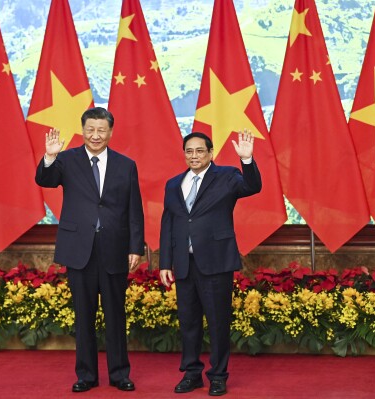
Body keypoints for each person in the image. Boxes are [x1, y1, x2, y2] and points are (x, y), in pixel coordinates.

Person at [35, 107, 144, 393]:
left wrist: (136, 247)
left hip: (114, 248)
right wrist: (49, 156)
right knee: (84, 316)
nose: (96, 135)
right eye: (90, 129)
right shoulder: (66, 160)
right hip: (79, 249)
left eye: (101, 130)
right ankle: (86, 375)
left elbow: (135, 210)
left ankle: (120, 374)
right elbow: (44, 180)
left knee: (115, 314)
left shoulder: (125, 165)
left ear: (110, 132)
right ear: (82, 130)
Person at [159, 130, 261, 396]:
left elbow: (252, 187)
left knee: (217, 322)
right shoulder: (173, 184)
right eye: (189, 151)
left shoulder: (226, 177)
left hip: (216, 262)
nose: (194, 156)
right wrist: (165, 263)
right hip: (183, 263)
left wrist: (247, 160)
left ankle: (218, 376)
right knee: (189, 322)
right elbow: (168, 223)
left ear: (210, 153)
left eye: (199, 151)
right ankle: (192, 374)